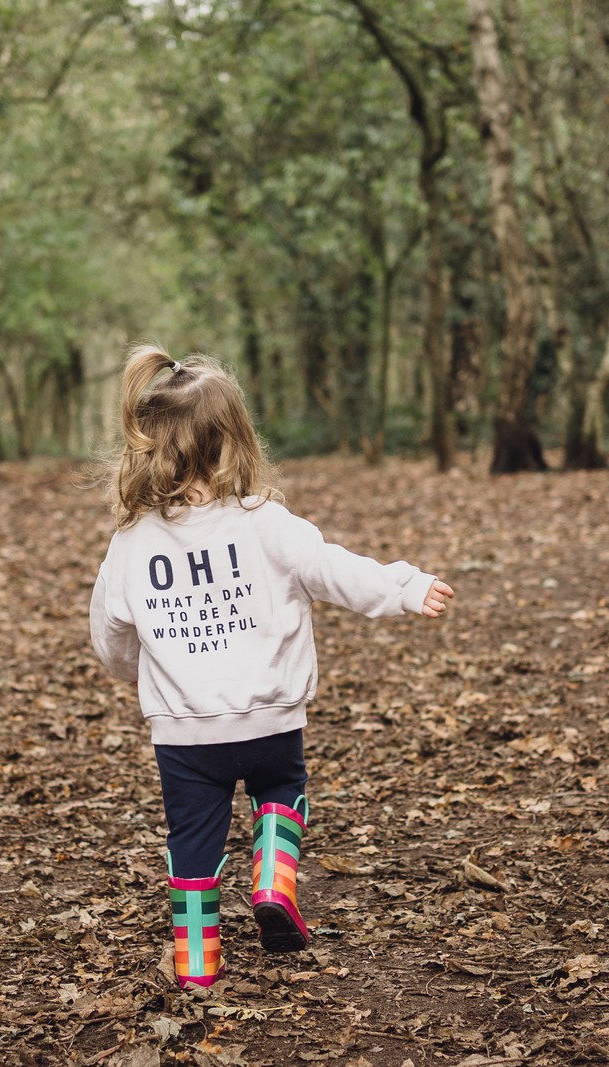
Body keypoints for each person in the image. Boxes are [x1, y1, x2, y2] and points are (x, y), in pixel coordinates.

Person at [89, 342, 454, 990]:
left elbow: (111, 634)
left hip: (184, 734)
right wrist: (404, 586)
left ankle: (196, 962)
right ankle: (273, 880)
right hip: (270, 721)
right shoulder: (267, 523)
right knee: (282, 790)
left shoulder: (131, 542)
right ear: (234, 441)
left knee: (192, 840)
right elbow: (335, 569)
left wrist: (140, 671)